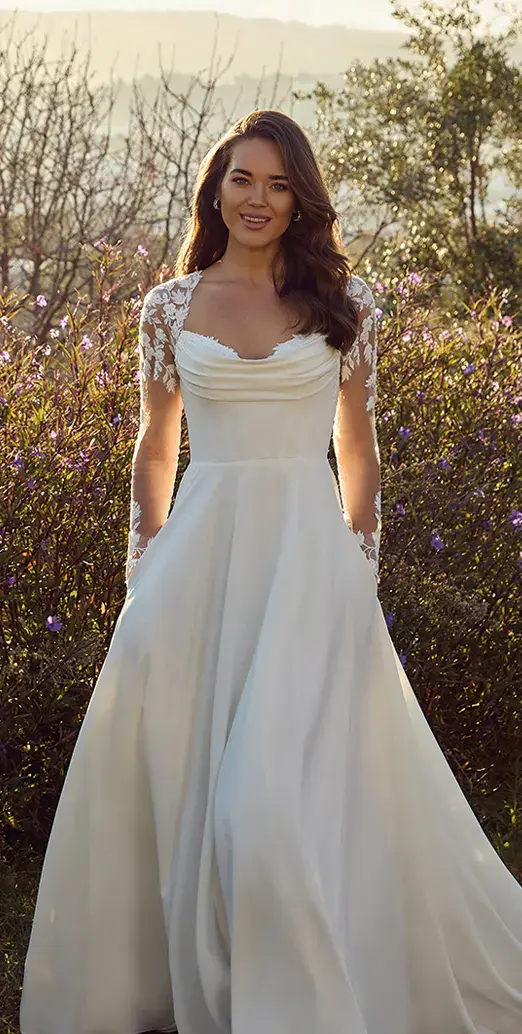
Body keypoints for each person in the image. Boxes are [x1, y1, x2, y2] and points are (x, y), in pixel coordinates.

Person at [20, 109, 522, 1034]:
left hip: (309, 570)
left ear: (302, 199)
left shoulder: (347, 304)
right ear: (216, 190)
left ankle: (295, 994)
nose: (258, 199)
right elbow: (152, 448)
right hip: (193, 566)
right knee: (180, 775)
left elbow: (359, 452)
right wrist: (146, 558)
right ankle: (179, 978)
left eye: (279, 183)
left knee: (264, 799)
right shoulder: (169, 306)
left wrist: (357, 563)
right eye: (243, 180)